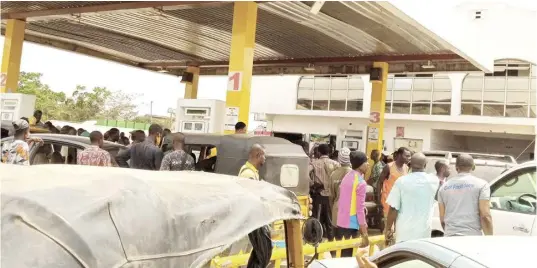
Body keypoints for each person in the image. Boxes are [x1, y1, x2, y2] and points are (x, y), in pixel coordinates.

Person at [385, 153, 439, 244]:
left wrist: (388, 229)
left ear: (409, 164)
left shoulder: (401, 181)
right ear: (425, 165)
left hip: (403, 233)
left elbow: (393, 208)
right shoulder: (434, 181)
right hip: (424, 233)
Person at [438, 154, 493, 237]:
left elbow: (442, 220)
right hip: (471, 238)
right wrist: (489, 238)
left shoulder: (443, 188)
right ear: (473, 166)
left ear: (456, 168)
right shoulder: (482, 185)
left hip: (449, 238)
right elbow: (485, 216)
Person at [336, 151, 369, 256]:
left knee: (342, 256)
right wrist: (364, 232)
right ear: (360, 165)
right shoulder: (360, 182)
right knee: (348, 257)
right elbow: (359, 209)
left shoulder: (347, 176)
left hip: (341, 221)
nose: (368, 164)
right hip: (351, 224)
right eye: (366, 162)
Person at [309, 143, 340, 240]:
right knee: (330, 222)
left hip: (319, 195)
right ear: (329, 152)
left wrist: (312, 185)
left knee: (317, 221)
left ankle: (317, 245)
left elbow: (305, 175)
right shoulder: (336, 164)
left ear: (318, 152)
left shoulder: (314, 163)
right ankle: (332, 247)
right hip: (331, 197)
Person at [377, 147, 411, 218]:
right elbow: (379, 182)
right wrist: (379, 200)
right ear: (399, 155)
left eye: (409, 156)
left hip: (400, 204)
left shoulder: (406, 168)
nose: (409, 158)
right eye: (407, 156)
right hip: (388, 203)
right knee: (388, 227)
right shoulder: (388, 167)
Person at [328, 147, 352, 230]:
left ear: (339, 159)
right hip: (351, 214)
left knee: (338, 241)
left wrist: (333, 210)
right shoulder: (356, 175)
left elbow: (331, 197)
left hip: (337, 212)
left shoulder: (333, 174)